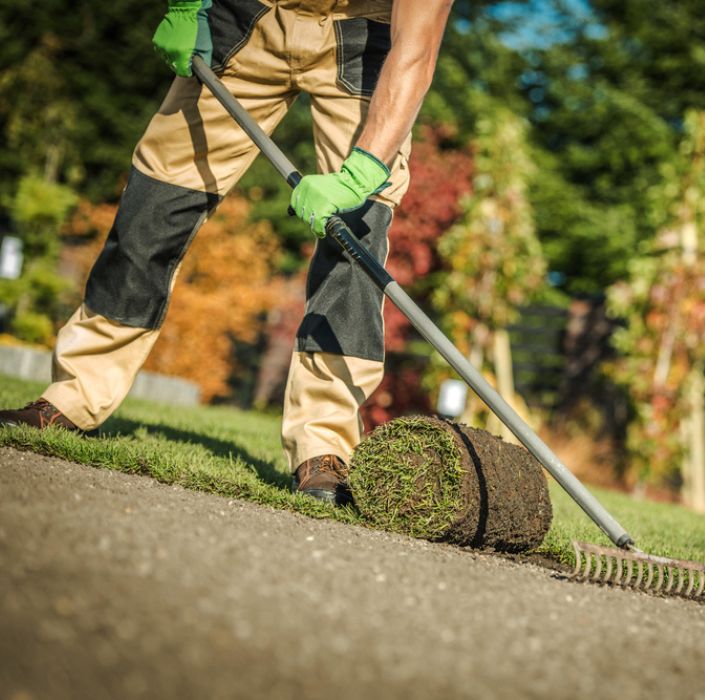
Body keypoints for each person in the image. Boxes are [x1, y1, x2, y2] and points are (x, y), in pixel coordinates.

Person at [0, 0, 454, 505]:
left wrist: (363, 172)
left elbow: (416, 47)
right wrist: (186, 4)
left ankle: (324, 448)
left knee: (356, 232)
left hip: (363, 36)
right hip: (250, 14)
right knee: (157, 201)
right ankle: (73, 397)